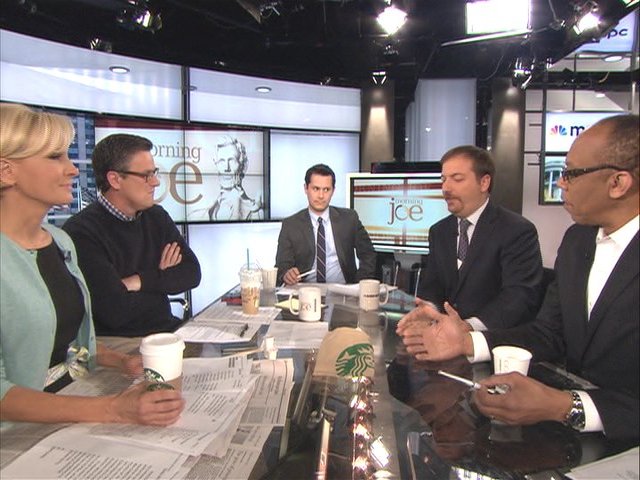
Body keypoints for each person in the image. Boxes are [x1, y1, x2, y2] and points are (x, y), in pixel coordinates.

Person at [397, 114, 639, 440]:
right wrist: (466, 342)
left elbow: (520, 298)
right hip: (568, 439)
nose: (560, 183)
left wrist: (567, 406)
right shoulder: (577, 241)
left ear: (618, 183)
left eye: (571, 173)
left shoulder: (517, 230)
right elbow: (548, 334)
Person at [0, 103, 184, 425]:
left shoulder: (59, 242)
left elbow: (67, 348)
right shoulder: (79, 232)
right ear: (6, 171)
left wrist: (119, 361)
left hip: (75, 399)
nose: (72, 169)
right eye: (55, 157)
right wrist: (114, 409)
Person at [63, 133, 201, 337]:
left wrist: (138, 281)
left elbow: (191, 273)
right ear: (115, 179)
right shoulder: (81, 232)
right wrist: (162, 279)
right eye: (146, 176)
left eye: (154, 173)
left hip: (168, 330)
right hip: (122, 341)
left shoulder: (156, 217)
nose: (155, 182)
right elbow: (115, 311)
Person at [418, 145, 544, 330]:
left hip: (492, 340)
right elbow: (432, 287)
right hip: (444, 335)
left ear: (484, 183)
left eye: (457, 179)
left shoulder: (517, 231)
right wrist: (426, 311)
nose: (446, 188)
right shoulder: (439, 231)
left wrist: (469, 326)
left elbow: (519, 297)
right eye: (443, 180)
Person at [275, 163, 377, 285]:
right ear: (306, 189)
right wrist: (287, 274)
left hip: (344, 290)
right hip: (305, 291)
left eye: (326, 190)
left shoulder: (349, 219)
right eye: (316, 189)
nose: (321, 196)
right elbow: (281, 267)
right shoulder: (291, 225)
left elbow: (369, 254)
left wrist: (359, 284)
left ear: (333, 191)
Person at [207, 135, 263, 221]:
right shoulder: (207, 211)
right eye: (221, 161)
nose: (226, 168)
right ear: (216, 165)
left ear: (242, 166)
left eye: (232, 160)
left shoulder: (255, 211)